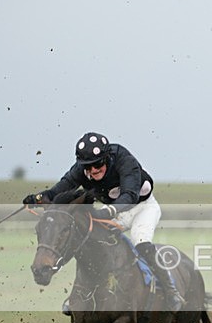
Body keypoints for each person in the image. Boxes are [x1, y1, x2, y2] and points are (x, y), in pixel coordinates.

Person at [22, 131, 184, 312]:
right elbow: (60, 189)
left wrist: (110, 211)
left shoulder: (124, 159)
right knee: (90, 244)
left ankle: (171, 291)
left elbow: (130, 194)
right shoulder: (81, 170)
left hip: (142, 208)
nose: (93, 170)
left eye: (98, 164)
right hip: (114, 212)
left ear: (107, 158)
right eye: (88, 166)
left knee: (142, 244)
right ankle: (79, 294)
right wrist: (38, 198)